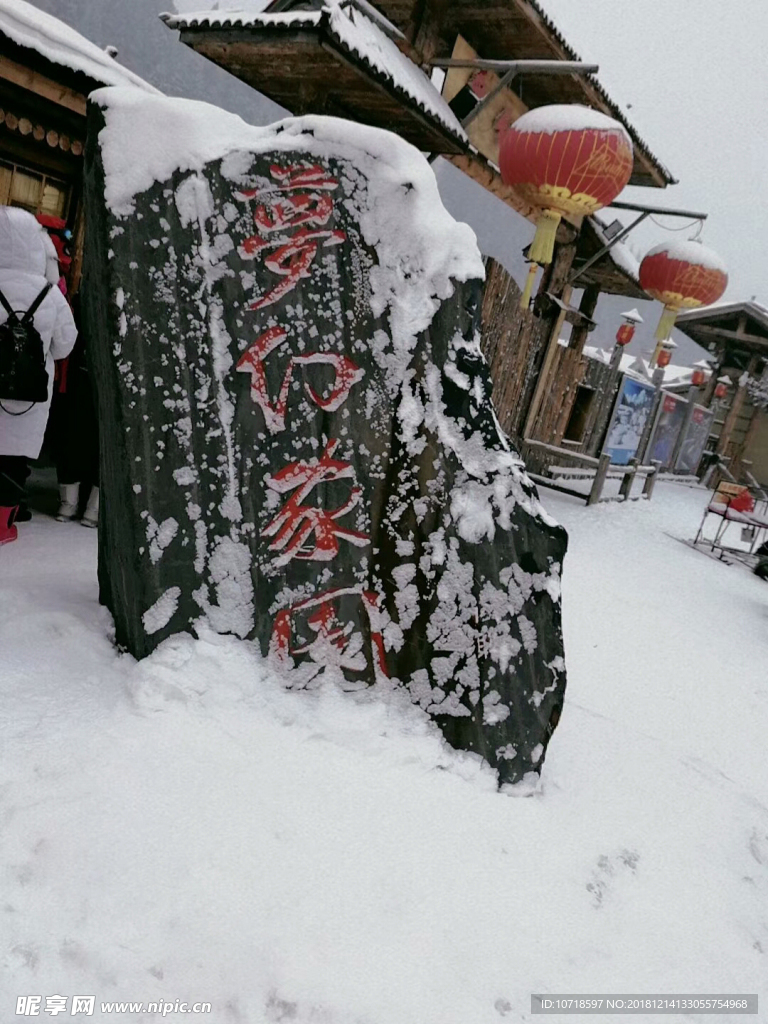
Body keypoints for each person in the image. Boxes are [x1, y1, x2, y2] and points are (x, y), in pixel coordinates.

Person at [0, 207, 77, 545]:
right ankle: (3, 526)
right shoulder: (51, 295)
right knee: (14, 461)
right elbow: (64, 346)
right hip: (28, 399)